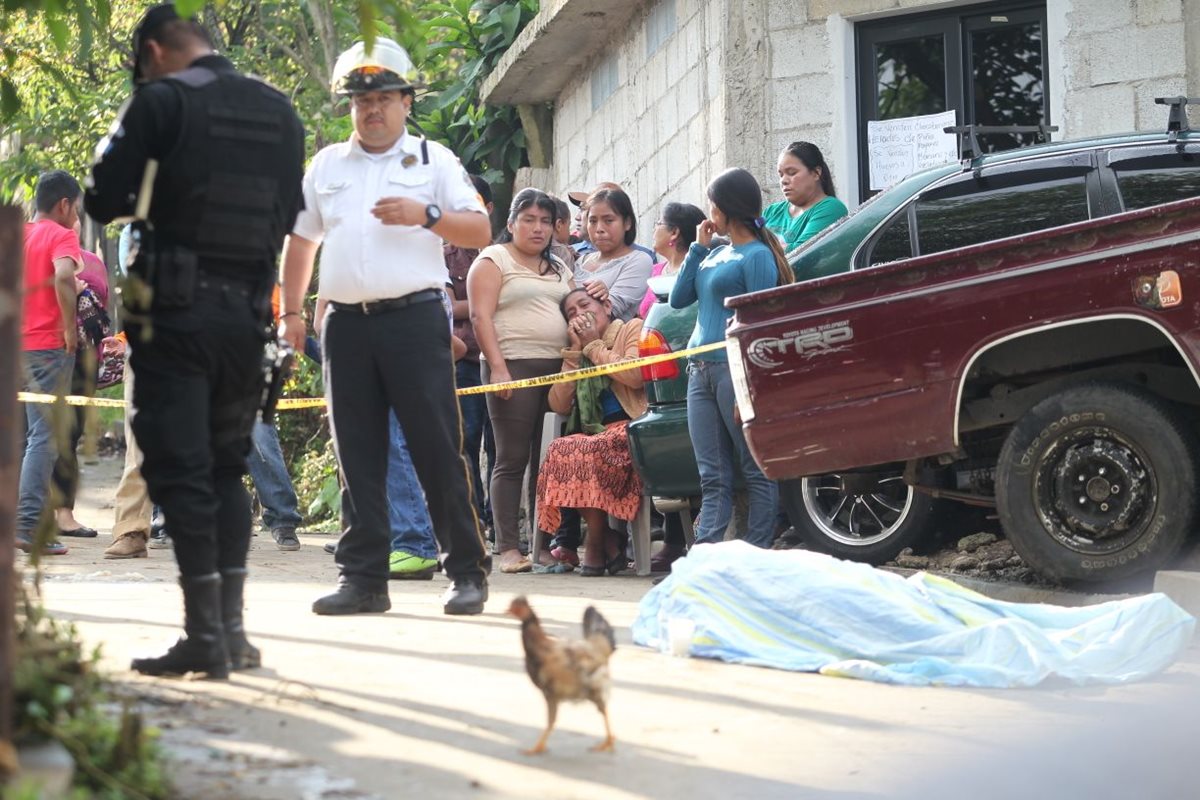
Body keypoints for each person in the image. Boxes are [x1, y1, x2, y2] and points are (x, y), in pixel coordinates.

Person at [86, 4, 306, 677]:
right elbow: (287, 214)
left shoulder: (160, 101)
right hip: (248, 319)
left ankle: (206, 634)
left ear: (155, 52)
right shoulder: (281, 112)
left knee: (178, 472)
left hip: (176, 320)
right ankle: (230, 631)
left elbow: (101, 199)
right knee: (224, 466)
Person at [279, 37, 491, 616]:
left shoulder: (432, 159)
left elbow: (479, 229)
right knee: (357, 453)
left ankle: (466, 571)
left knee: (435, 447)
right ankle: (364, 579)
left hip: (414, 318)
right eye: (359, 99)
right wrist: (291, 312)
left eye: (382, 97)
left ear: (405, 101)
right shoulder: (327, 165)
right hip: (345, 325)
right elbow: (301, 241)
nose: (370, 108)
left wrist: (427, 214)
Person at [669, 168, 794, 548]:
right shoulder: (715, 252)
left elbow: (758, 324)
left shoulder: (758, 256)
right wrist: (697, 248)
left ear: (726, 208)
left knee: (753, 467)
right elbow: (678, 299)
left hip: (732, 370)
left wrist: (748, 388)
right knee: (712, 473)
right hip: (699, 370)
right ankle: (705, 553)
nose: (709, 212)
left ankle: (756, 549)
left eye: (712, 204)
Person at [468, 188, 573, 573]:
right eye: (528, 219)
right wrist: (497, 368)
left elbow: (574, 305)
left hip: (558, 371)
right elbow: (480, 317)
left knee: (546, 461)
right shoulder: (492, 260)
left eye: (545, 221)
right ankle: (509, 547)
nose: (538, 228)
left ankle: (542, 546)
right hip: (511, 366)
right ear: (510, 223)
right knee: (511, 458)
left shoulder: (560, 269)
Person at [537, 289, 646, 576]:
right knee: (562, 449)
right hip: (594, 435)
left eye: (584, 305)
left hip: (632, 428)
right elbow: (558, 403)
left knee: (587, 448)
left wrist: (594, 346)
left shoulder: (631, 328)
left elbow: (636, 376)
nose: (580, 315)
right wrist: (575, 355)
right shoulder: (579, 351)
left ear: (607, 306)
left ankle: (597, 543)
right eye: (571, 314)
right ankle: (603, 539)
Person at [17, 170, 83, 557]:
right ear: (64, 205)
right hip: (47, 348)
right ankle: (26, 526)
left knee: (24, 439)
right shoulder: (61, 235)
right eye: (75, 207)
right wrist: (70, 330)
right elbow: (62, 276)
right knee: (45, 439)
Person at [446, 174, 496, 540]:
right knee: (467, 439)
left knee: (502, 446)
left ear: (489, 208)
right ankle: (474, 520)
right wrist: (488, 301)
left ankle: (499, 523)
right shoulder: (442, 253)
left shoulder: (504, 251)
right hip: (464, 360)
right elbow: (448, 310)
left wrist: (476, 305)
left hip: (504, 358)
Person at [53, 234, 111, 539]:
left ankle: (61, 513)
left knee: (65, 436)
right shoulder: (31, 250)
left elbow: (102, 313)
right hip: (47, 351)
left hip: (81, 360)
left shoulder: (94, 263)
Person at [574, 187, 654, 321]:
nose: (599, 229)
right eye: (593, 221)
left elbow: (610, 310)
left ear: (627, 223)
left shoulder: (639, 260)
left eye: (608, 220)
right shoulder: (578, 262)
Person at [763, 141, 848, 254]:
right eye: (781, 174)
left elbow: (798, 254)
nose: (783, 180)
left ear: (816, 173)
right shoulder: (771, 211)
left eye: (792, 173)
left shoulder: (831, 208)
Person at [638, 201, 707, 318]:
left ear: (674, 232)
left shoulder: (698, 271)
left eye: (658, 224)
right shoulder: (654, 271)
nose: (654, 230)